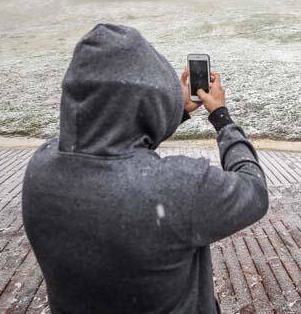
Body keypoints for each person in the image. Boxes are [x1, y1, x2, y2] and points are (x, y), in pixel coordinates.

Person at [21, 23, 269, 313]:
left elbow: (112, 141)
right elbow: (253, 189)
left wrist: (173, 110)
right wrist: (221, 117)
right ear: (150, 100)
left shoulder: (41, 169)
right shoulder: (176, 187)